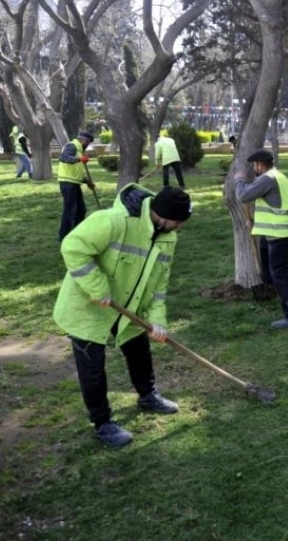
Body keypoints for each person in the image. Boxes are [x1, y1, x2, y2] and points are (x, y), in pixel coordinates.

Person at [54, 184, 192, 448]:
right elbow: (72, 246)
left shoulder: (168, 237)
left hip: (130, 307)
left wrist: (158, 321)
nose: (180, 227)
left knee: (139, 351)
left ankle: (148, 396)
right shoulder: (113, 220)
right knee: (92, 367)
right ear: (162, 215)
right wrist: (97, 288)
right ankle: (102, 422)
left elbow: (159, 286)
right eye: (178, 221)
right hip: (89, 306)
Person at [234, 149, 288, 330]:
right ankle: (269, 284)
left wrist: (240, 179)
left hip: (280, 233)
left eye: (254, 166)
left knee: (279, 273)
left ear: (260, 164)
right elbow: (272, 202)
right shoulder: (278, 176)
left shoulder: (267, 178)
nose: (253, 169)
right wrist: (255, 221)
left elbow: (244, 196)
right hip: (281, 231)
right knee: (267, 261)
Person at [58, 130, 95, 241]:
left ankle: (77, 233)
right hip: (67, 184)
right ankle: (64, 236)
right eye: (87, 142)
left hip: (74, 183)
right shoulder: (71, 145)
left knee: (81, 210)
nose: (88, 145)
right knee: (70, 210)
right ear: (83, 139)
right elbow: (63, 158)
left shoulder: (79, 150)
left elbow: (76, 171)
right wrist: (79, 159)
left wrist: (87, 181)